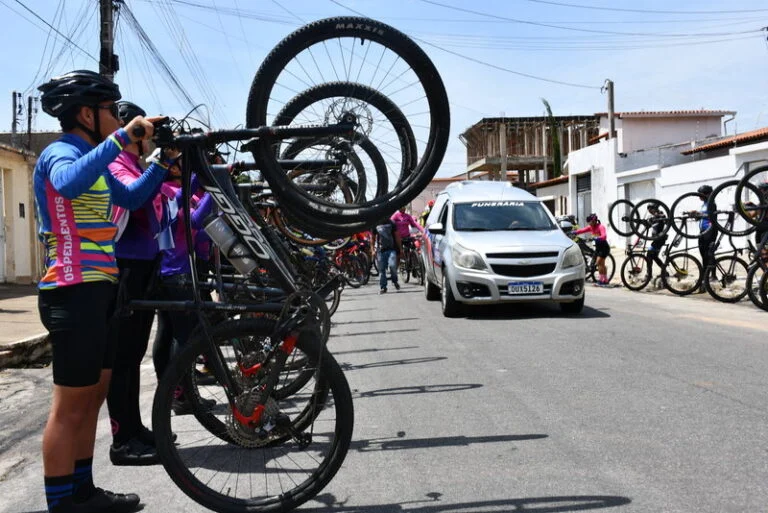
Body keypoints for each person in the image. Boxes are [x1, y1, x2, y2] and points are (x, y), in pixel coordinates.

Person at [34, 70, 171, 513]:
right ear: (87, 113)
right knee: (70, 404)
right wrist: (121, 139)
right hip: (71, 289)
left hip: (100, 288)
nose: (118, 117)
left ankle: (83, 491)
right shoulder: (61, 153)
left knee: (92, 397)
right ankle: (62, 503)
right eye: (112, 110)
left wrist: (163, 160)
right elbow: (68, 183)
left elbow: (130, 198)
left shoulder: (94, 154)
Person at [106, 101, 178, 466]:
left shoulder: (136, 164)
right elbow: (134, 196)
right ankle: (122, 440)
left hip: (145, 265)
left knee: (133, 357)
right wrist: (163, 163)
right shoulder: (117, 163)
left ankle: (135, 430)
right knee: (122, 358)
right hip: (126, 268)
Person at [151, 157, 216, 414]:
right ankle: (181, 394)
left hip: (175, 270)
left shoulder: (177, 190)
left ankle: (177, 394)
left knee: (170, 335)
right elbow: (193, 223)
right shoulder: (167, 191)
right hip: (175, 271)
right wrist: (214, 191)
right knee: (183, 338)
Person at [573, 213, 610, 285]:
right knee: (601, 264)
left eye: (590, 222)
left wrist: (597, 238)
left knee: (599, 263)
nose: (589, 223)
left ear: (594, 221)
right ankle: (605, 280)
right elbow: (582, 230)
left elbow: (604, 236)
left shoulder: (600, 227)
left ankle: (601, 280)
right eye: (589, 222)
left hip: (604, 247)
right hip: (598, 248)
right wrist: (574, 232)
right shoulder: (590, 227)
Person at [693, 184, 717, 291]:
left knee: (709, 253)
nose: (699, 197)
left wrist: (699, 213)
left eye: (701, 194)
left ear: (707, 194)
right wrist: (695, 215)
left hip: (710, 230)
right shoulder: (703, 204)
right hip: (703, 231)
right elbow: (701, 217)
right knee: (703, 254)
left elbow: (711, 216)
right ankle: (705, 275)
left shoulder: (712, 203)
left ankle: (712, 275)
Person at [372, 217, 402, 294]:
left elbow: (397, 236)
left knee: (392, 266)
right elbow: (372, 238)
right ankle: (383, 287)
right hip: (380, 251)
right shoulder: (375, 223)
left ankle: (395, 281)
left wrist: (400, 249)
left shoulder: (391, 223)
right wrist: (372, 250)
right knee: (382, 270)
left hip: (391, 249)